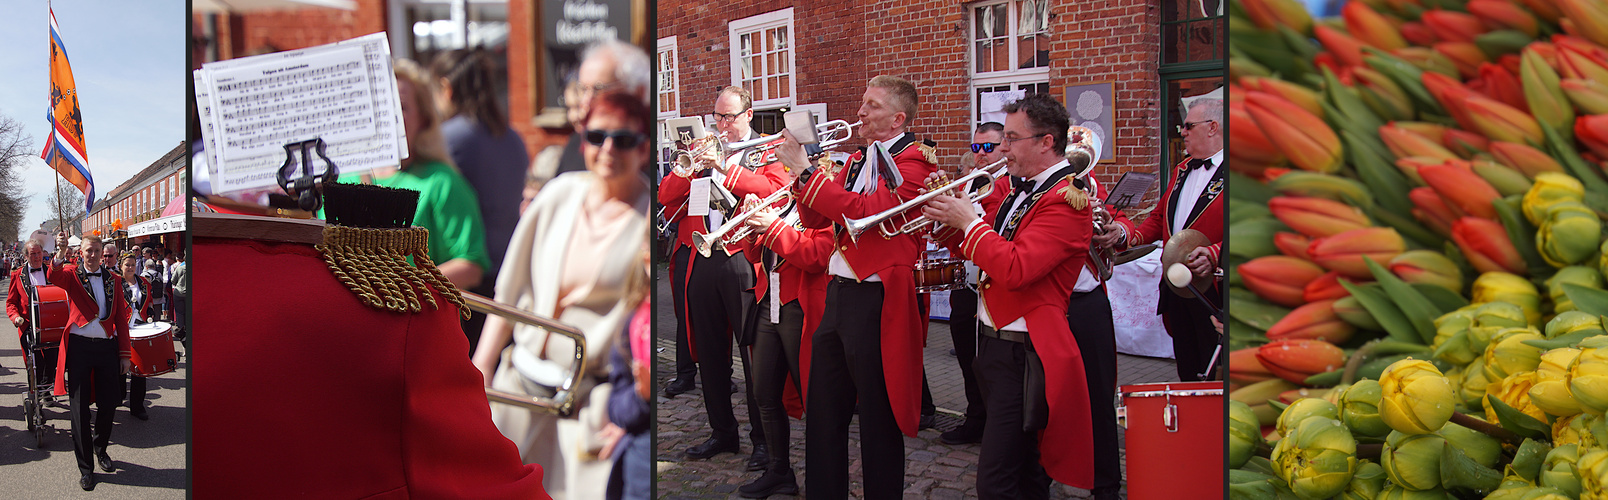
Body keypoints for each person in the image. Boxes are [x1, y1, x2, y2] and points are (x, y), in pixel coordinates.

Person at [473, 89, 651, 498]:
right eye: (596, 136)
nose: (608, 148)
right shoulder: (558, 194)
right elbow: (510, 288)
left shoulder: (645, 216)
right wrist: (480, 368)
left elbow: (645, 322)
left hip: (587, 405)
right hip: (517, 386)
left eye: (623, 139)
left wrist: (631, 411)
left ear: (643, 149)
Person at [921, 93, 1097, 498]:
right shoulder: (1019, 190)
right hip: (998, 347)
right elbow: (985, 251)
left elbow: (1016, 269)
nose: (1002, 148)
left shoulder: (1066, 201)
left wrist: (969, 222)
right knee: (1025, 474)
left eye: (1012, 138)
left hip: (1027, 353)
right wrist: (946, 221)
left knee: (997, 480)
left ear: (1046, 142)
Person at [771, 75, 938, 499]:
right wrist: (801, 177)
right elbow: (818, 221)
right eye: (862, 102)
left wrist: (809, 173)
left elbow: (867, 212)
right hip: (839, 294)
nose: (860, 112)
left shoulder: (918, 161)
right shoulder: (855, 161)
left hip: (878, 300)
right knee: (823, 413)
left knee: (878, 420)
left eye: (872, 105)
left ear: (898, 117)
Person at [660, 85, 789, 471]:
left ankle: (763, 441)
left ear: (749, 115)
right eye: (717, 117)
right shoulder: (704, 149)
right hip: (701, 255)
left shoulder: (768, 147)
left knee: (752, 357)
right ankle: (722, 431)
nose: (722, 125)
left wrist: (726, 169)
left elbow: (776, 189)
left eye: (729, 117)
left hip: (742, 257)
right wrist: (697, 164)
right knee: (711, 353)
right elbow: (667, 193)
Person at [336, 58, 491, 291]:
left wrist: (403, 285)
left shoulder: (442, 182)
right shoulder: (342, 180)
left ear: (424, 119)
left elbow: (470, 266)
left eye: (401, 106)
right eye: (380, 105)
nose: (389, 115)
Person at [1109, 97, 1225, 381]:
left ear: (1212, 127)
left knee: (1216, 374)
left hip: (1216, 292)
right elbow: (1160, 218)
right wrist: (1130, 236)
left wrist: (1216, 253)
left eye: (1188, 126)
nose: (1182, 132)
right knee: (1187, 367)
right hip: (1179, 290)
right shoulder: (1182, 170)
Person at [734, 194, 836, 498]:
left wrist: (774, 226)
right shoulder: (782, 205)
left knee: (812, 395)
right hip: (769, 302)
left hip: (799, 306)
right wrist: (753, 225)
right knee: (763, 391)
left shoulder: (822, 205)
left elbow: (817, 255)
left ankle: (824, 477)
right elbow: (754, 254)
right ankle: (779, 469)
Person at [430, 48, 531, 353]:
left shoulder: (448, 138)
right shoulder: (514, 138)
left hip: (468, 274)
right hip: (511, 269)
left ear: (446, 88)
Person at [939, 121, 1009, 446]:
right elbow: (959, 242)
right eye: (976, 148)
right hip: (967, 284)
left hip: (996, 286)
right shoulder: (970, 184)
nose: (980, 156)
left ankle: (995, 423)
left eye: (988, 148)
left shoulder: (1009, 187)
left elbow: (996, 233)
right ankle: (975, 417)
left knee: (990, 363)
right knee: (967, 357)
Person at [48, 233, 133, 491]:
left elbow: (120, 318)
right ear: (81, 252)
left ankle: (101, 448)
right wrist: (61, 252)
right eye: (88, 251)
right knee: (79, 409)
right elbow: (53, 275)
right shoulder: (72, 274)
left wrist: (125, 355)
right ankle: (86, 468)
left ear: (103, 253)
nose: (93, 255)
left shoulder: (114, 279)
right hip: (80, 348)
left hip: (106, 347)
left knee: (110, 403)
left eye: (97, 250)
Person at [555, 40, 651, 176]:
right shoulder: (575, 143)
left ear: (637, 92)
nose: (586, 102)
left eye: (598, 90)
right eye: (582, 90)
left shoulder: (644, 147)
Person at [8, 239, 60, 393]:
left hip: (50, 324)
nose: (37, 257)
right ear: (26, 256)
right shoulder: (17, 275)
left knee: (52, 361)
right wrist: (15, 317)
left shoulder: (51, 272)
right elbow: (11, 302)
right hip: (28, 325)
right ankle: (35, 394)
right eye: (33, 254)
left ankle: (46, 391)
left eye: (39, 253)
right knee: (34, 363)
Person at [119, 250, 153, 421]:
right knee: (120, 368)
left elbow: (150, 302)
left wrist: (151, 313)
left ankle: (137, 406)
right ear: (121, 267)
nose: (131, 267)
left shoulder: (144, 283)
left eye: (133, 265)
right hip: (122, 330)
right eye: (127, 265)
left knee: (140, 370)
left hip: (141, 329)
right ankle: (117, 399)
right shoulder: (115, 284)